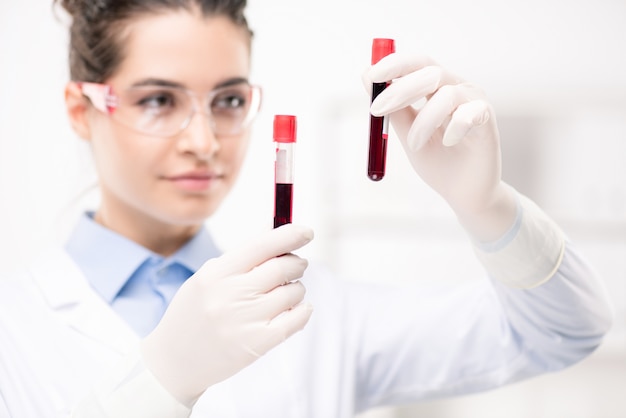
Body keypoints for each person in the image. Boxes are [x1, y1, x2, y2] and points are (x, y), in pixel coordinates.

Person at [0, 0, 613, 417]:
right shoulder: (15, 333)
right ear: (82, 110)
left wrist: (487, 207)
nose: (205, 140)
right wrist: (163, 378)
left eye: (229, 100)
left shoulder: (324, 311)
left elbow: (568, 329)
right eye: (159, 99)